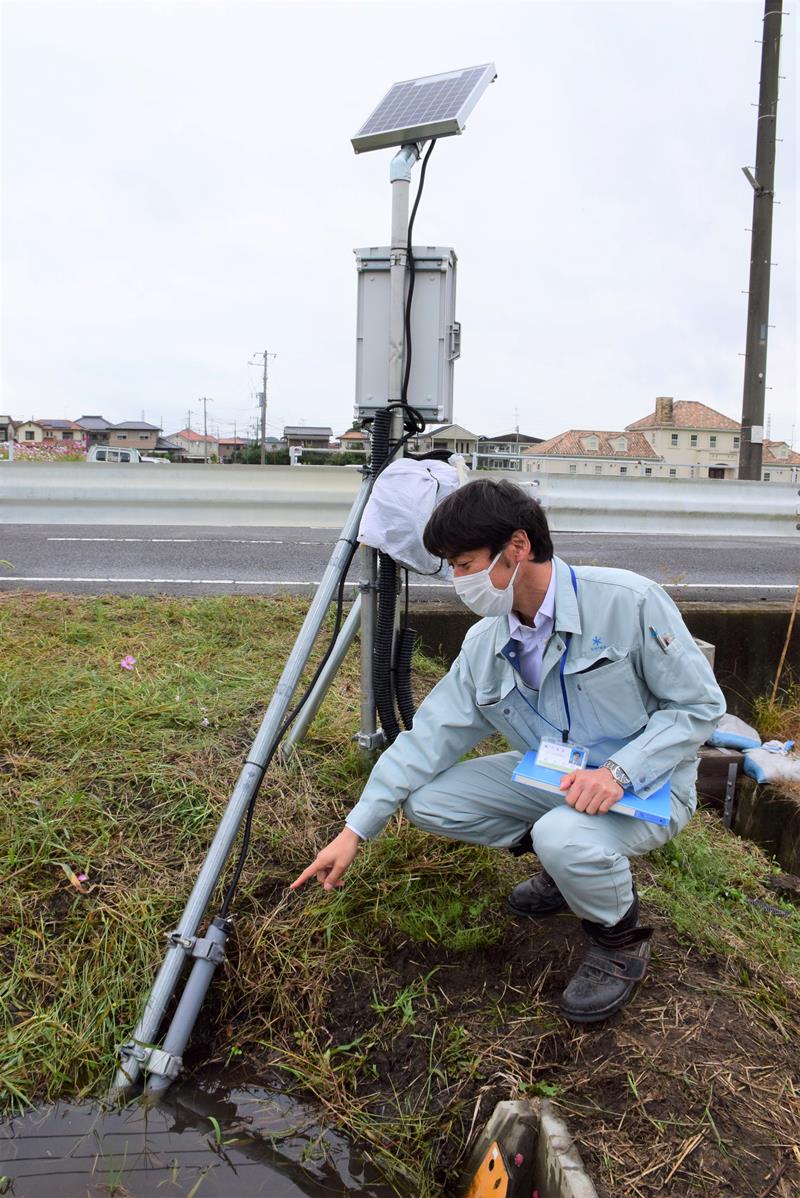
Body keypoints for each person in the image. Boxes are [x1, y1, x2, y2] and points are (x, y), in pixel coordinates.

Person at [291, 478, 725, 1023]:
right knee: (428, 800)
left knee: (560, 835)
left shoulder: (627, 603)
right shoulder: (486, 644)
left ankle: (619, 939)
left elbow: (698, 707)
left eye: (466, 562)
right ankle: (567, 868)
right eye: (451, 565)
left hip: (649, 787)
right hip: (559, 777)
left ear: (517, 546)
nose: (458, 580)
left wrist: (618, 771)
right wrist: (354, 832)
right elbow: (427, 739)